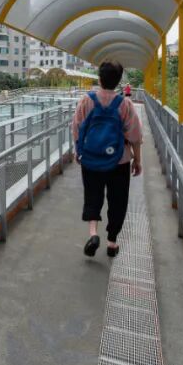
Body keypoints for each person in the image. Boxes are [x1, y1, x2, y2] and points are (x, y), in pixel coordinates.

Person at [72, 61, 142, 258]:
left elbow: (76, 127)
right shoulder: (125, 104)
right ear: (118, 81)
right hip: (119, 160)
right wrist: (137, 160)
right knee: (118, 200)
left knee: (92, 195)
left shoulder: (86, 100)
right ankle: (112, 242)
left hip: (91, 158)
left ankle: (93, 234)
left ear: (100, 79)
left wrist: (78, 151)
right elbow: (135, 136)